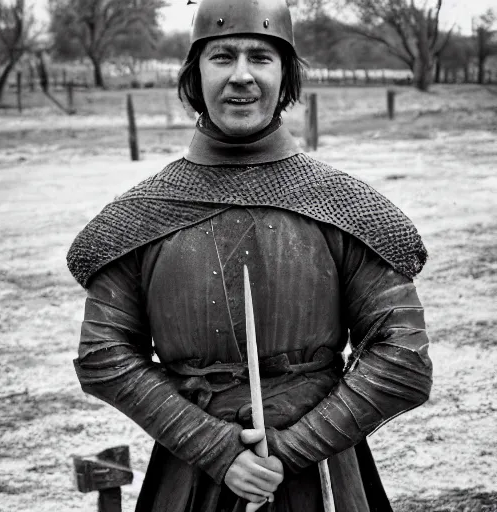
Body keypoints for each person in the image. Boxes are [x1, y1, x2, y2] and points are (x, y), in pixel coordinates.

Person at [67, 0, 433, 510]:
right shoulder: (140, 216)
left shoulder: (345, 206)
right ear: (195, 75)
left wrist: (292, 449)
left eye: (261, 57)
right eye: (222, 57)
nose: (241, 76)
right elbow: (103, 356)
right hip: (191, 477)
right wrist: (214, 448)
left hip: (322, 476)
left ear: (286, 76)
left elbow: (405, 359)